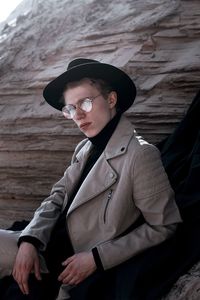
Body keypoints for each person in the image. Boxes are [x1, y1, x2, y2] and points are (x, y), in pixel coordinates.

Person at [0, 58, 182, 300]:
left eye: (85, 102)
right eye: (71, 108)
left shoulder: (141, 154)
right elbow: (57, 197)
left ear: (111, 99)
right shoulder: (84, 148)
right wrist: (30, 239)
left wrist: (97, 258)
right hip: (49, 243)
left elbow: (163, 226)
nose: (79, 115)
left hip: (77, 261)